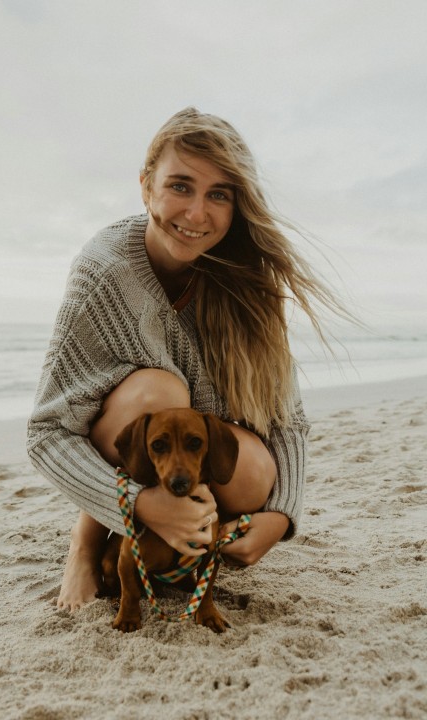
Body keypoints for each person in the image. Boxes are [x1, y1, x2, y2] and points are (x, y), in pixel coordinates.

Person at [27, 107, 336, 612]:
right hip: (128, 437)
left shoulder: (249, 280)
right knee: (161, 394)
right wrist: (137, 502)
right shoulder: (104, 274)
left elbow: (287, 417)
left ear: (237, 205)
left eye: (219, 194)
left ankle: (177, 536)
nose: (196, 213)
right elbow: (48, 430)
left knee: (256, 472)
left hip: (185, 456)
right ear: (146, 185)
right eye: (180, 186)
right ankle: (85, 545)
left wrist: (281, 515)